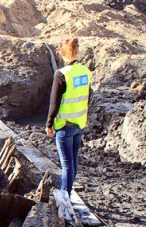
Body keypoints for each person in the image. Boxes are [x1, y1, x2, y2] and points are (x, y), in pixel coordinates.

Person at [46, 37, 92, 196]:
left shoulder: (62, 73)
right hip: (79, 123)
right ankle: (69, 191)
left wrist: (49, 123)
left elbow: (54, 102)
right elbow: (88, 95)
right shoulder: (85, 72)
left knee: (66, 164)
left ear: (62, 53)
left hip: (65, 125)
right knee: (73, 161)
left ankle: (65, 195)